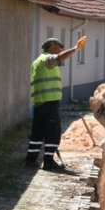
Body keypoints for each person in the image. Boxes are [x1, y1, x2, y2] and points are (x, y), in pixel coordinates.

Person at [26, 35, 87, 170]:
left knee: (38, 132)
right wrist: (76, 48)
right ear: (52, 47)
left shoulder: (37, 61)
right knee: (53, 131)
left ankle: (30, 160)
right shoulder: (47, 59)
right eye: (58, 48)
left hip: (39, 101)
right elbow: (58, 58)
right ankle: (48, 161)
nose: (60, 50)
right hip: (49, 101)